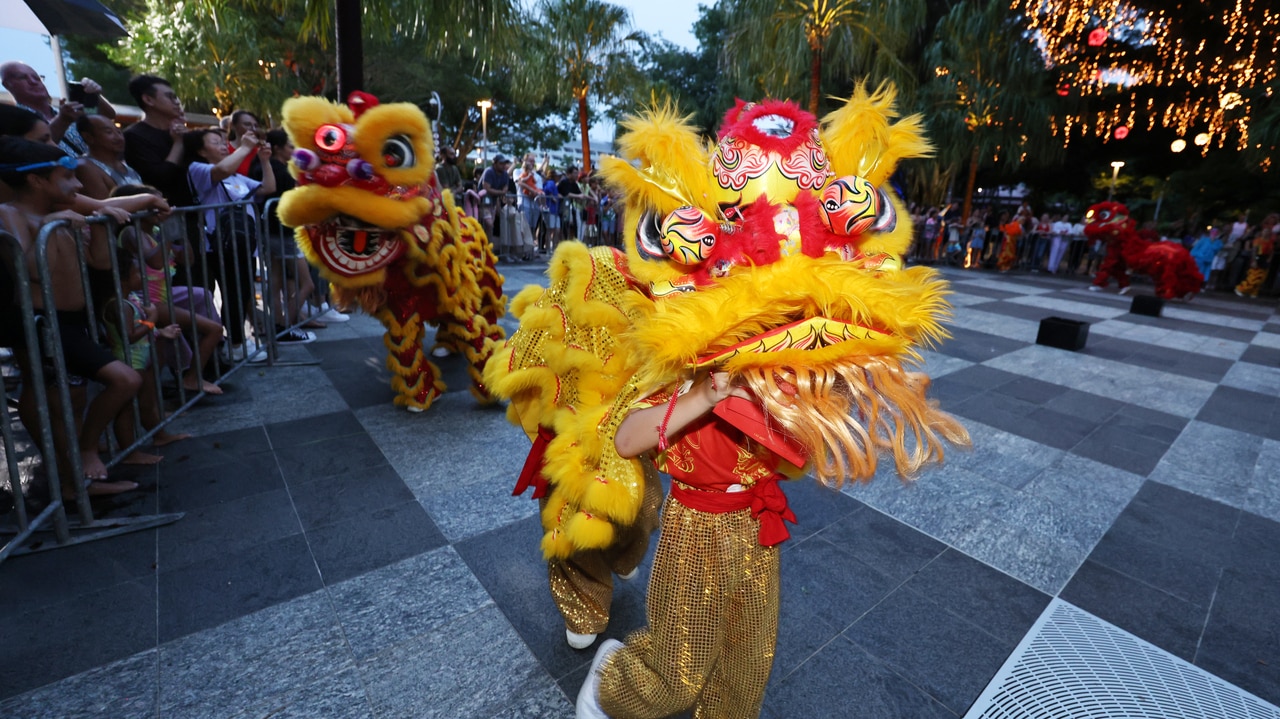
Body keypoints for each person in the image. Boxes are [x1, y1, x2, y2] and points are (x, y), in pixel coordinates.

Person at [0, 137, 141, 493]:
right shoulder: (12, 214)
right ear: (37, 180)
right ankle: (81, 459)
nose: (78, 186)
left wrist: (101, 226)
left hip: (72, 320)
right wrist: (56, 222)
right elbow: (30, 270)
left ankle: (73, 475)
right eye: (68, 177)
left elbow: (101, 263)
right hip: (40, 322)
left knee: (70, 399)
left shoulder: (58, 216)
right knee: (122, 380)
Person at [111, 184, 224, 395]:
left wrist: (178, 233)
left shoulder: (155, 231)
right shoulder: (130, 232)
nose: (164, 209)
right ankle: (191, 377)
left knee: (202, 295)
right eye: (156, 205)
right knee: (212, 329)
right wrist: (170, 233)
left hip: (164, 296)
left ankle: (205, 356)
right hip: (146, 301)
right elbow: (156, 261)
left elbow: (188, 260)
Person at [183, 127, 275, 355]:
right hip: (220, 245)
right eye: (215, 142)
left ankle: (236, 342)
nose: (224, 145)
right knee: (232, 294)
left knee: (242, 292)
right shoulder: (198, 169)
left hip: (244, 244)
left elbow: (268, 188)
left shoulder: (236, 176)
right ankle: (234, 346)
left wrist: (264, 161)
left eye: (224, 141)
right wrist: (245, 147)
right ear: (201, 151)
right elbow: (222, 169)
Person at [100, 246, 191, 464]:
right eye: (137, 273)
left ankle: (159, 435)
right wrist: (152, 321)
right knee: (127, 409)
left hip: (143, 355)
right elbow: (129, 336)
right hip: (130, 360)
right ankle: (129, 452)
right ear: (121, 278)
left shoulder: (131, 298)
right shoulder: (119, 305)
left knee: (147, 402)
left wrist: (160, 331)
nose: (142, 277)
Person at [253, 128, 317, 343]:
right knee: (307, 284)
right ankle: (284, 328)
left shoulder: (272, 168)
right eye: (291, 146)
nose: (294, 150)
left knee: (276, 280)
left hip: (272, 232)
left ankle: (279, 325)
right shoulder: (279, 171)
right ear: (278, 148)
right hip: (283, 233)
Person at [1, 61, 116, 157]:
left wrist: (95, 94)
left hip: (102, 174)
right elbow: (34, 151)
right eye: (22, 77)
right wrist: (62, 120)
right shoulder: (14, 122)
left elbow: (109, 116)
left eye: (37, 77)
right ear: (7, 84)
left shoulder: (65, 111)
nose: (33, 82)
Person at [75, 115, 143, 200]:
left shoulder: (126, 167)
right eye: (109, 132)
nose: (119, 138)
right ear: (88, 137)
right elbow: (104, 206)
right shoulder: (84, 167)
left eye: (119, 132)